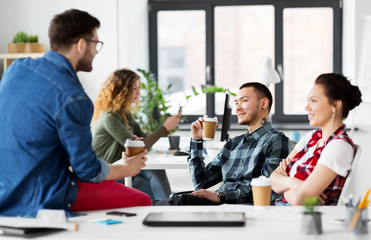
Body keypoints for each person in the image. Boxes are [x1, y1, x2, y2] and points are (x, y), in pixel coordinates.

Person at [0, 9, 151, 217]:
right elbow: (87, 170)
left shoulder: (15, 69)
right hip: (44, 196)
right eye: (96, 44)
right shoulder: (74, 98)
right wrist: (125, 169)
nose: (97, 51)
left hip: (5, 192)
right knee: (142, 199)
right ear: (81, 45)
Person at [167, 82, 291, 205]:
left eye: (244, 101)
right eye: (236, 103)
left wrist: (221, 196)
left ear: (263, 103)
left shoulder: (276, 140)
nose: (237, 108)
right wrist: (197, 140)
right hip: (221, 204)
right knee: (166, 202)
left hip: (242, 208)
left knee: (174, 204)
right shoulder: (233, 144)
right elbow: (201, 183)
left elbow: (267, 187)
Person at [270, 73, 362, 206]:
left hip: (306, 218)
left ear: (335, 105)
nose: (307, 108)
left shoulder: (339, 146)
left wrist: (285, 185)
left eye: (313, 101)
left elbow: (300, 200)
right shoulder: (312, 137)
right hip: (284, 210)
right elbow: (273, 180)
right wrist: (296, 184)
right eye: (308, 101)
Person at [92, 68, 181, 200]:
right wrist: (165, 128)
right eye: (134, 88)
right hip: (109, 174)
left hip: (123, 167)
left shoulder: (125, 115)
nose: (138, 93)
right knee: (150, 184)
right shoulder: (109, 118)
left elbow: (144, 141)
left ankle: (168, 206)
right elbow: (144, 145)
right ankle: (167, 206)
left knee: (156, 173)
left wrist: (141, 144)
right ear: (122, 90)